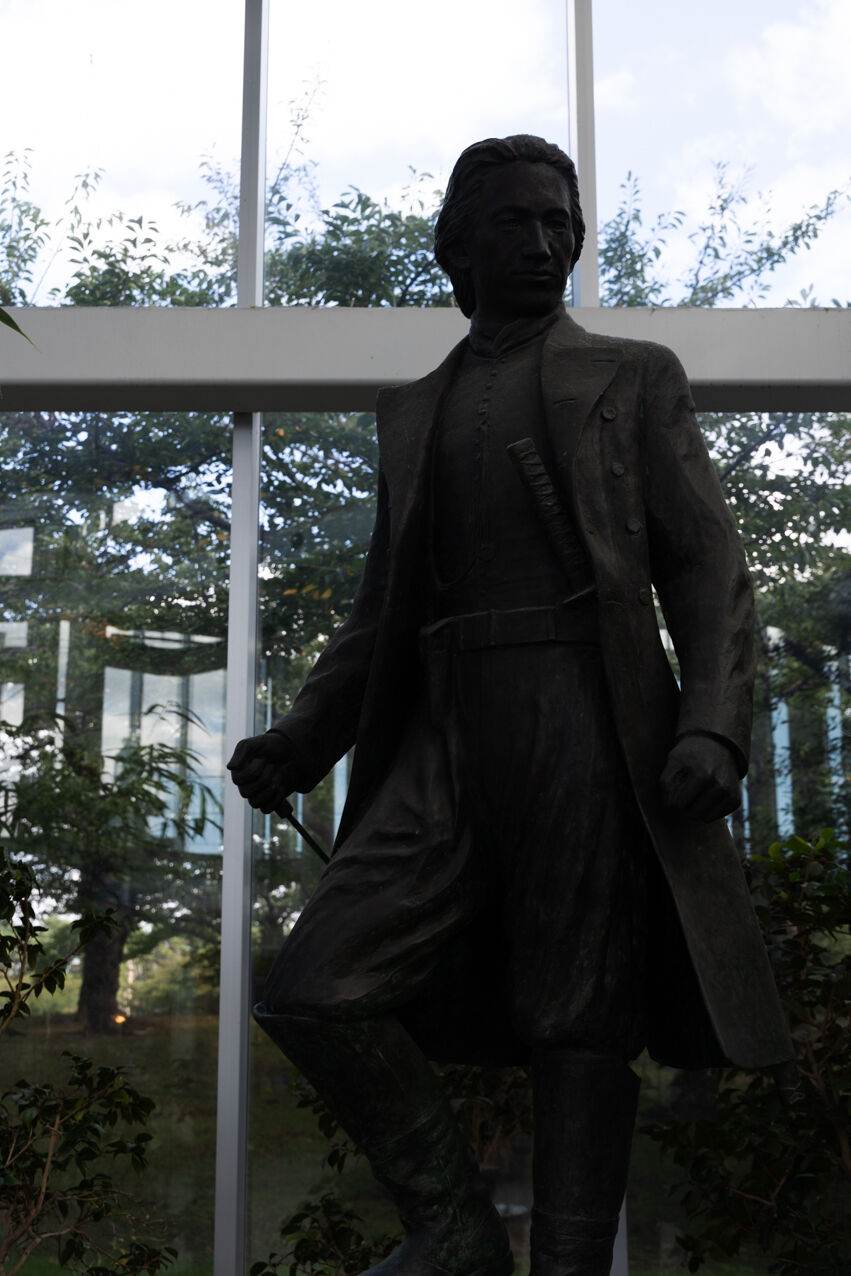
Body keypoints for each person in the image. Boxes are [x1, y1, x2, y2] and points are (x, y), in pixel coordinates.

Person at [228, 135, 792, 1276]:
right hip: (444, 726)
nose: (542, 245)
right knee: (312, 987)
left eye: (557, 225)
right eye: (512, 223)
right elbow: (381, 607)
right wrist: (303, 737)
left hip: (584, 709)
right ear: (455, 247)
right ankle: (453, 1231)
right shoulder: (412, 409)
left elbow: (704, 564)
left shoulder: (634, 376)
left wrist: (711, 723)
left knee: (579, 1013)